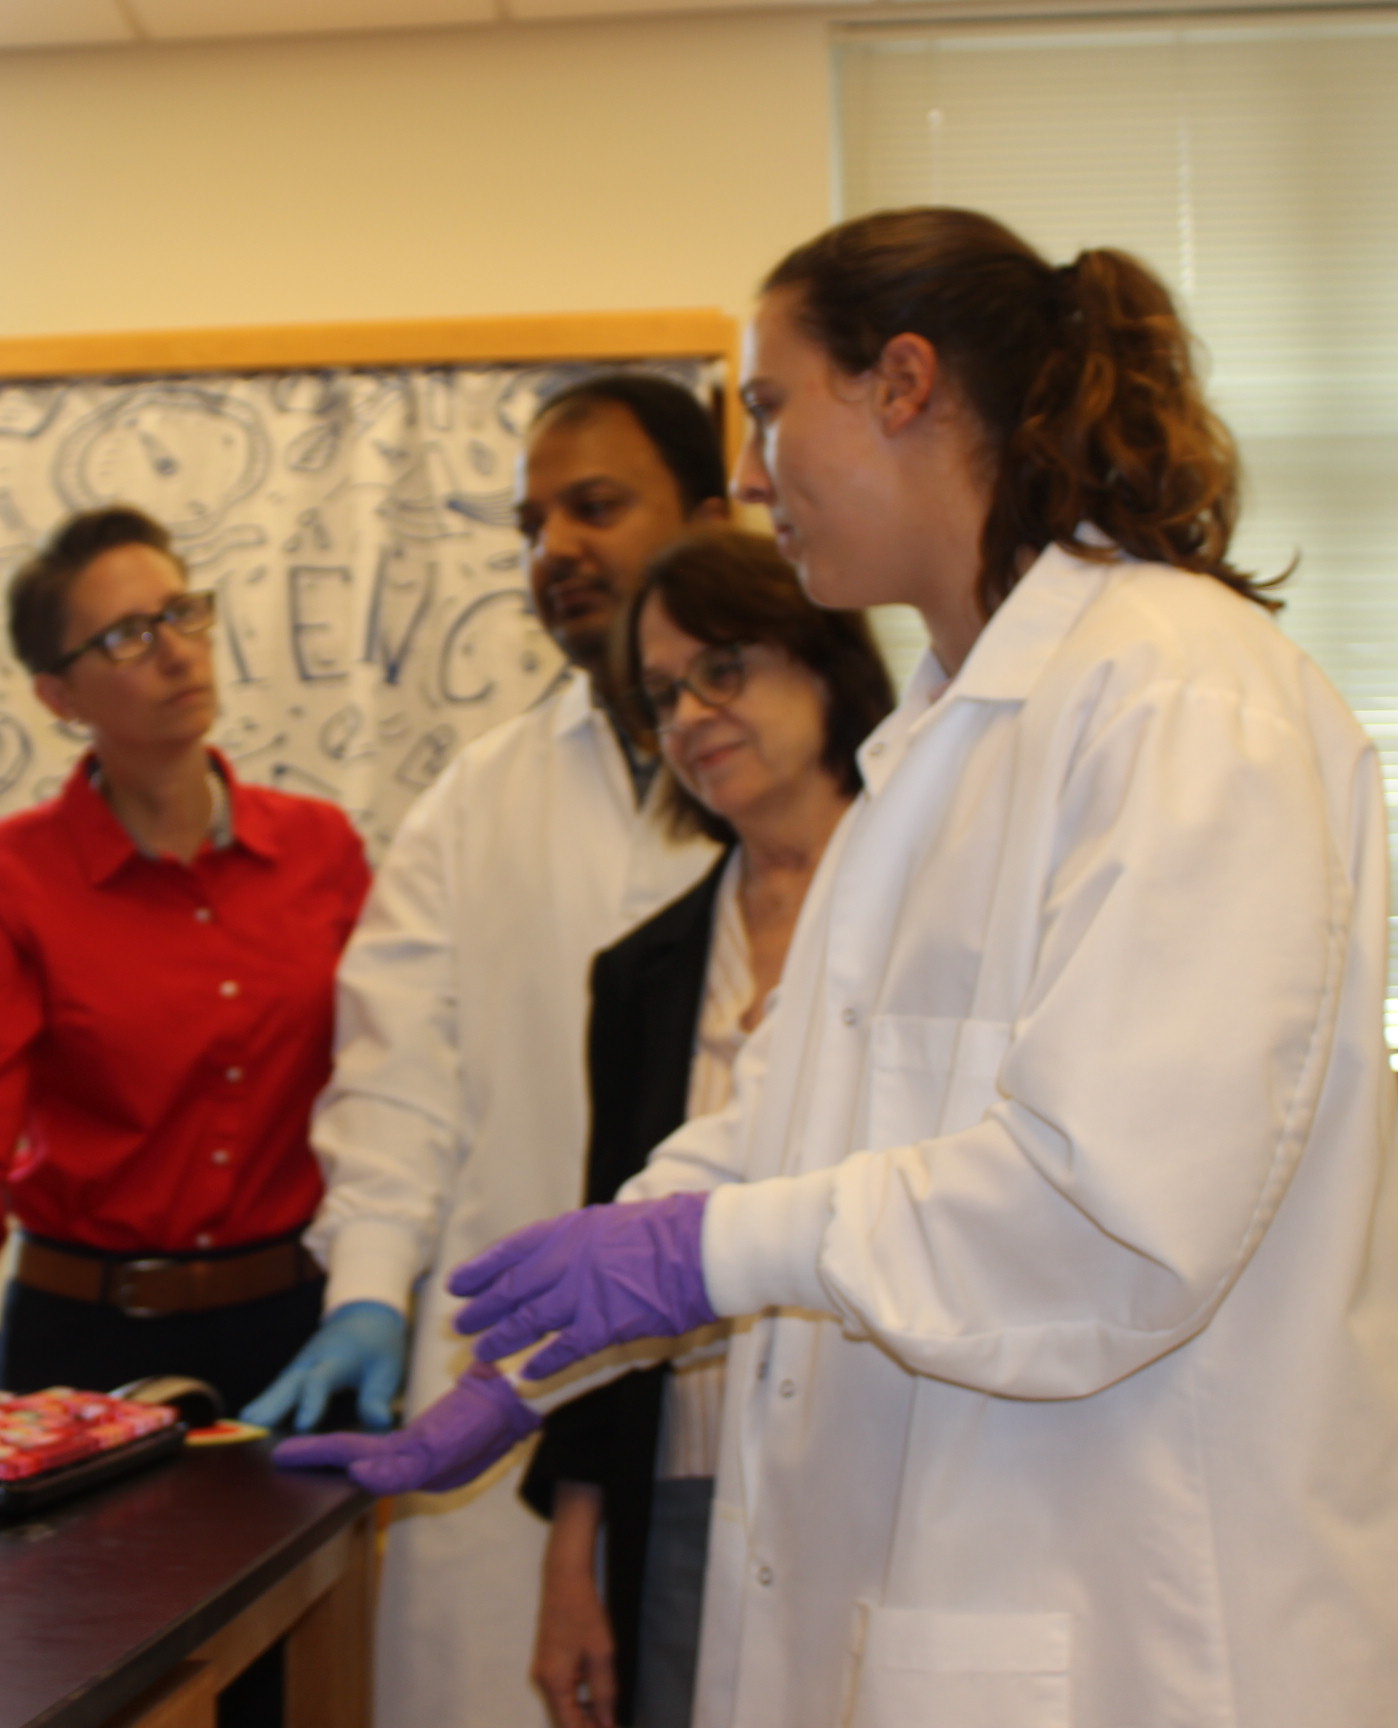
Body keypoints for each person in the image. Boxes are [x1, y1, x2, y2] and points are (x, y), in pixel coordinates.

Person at [284, 208, 1398, 1728]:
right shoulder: (929, 754)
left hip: (1172, 1625)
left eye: (774, 408)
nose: (743, 476)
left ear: (904, 382)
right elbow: (786, 1127)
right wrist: (528, 1360)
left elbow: (1113, 1211)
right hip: (965, 1594)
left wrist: (695, 1260)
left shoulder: (1183, 698)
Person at [244, 374, 731, 1728]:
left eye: (596, 506)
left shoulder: (813, 773)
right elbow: (400, 1080)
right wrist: (370, 1288)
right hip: (504, 1389)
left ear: (711, 515)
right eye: (531, 522)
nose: (554, 549)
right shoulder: (480, 795)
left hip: (739, 1391)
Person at [0, 505, 371, 1421]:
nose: (178, 652)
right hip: (84, 1339)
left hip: (294, 1325)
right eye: (130, 637)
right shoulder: (3, 878)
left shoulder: (321, 851)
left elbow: (386, 1087)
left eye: (183, 614)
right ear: (61, 697)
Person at [521, 529, 894, 1728]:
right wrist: (575, 1552)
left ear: (825, 660)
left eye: (721, 669)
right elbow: (616, 1252)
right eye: (661, 693)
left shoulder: (942, 902)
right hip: (683, 1484)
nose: (687, 715)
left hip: (904, 1473)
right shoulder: (642, 974)